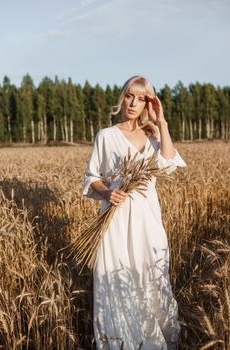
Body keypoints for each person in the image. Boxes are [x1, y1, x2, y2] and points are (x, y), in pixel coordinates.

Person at [83, 75, 187, 350]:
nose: (133, 102)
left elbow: (167, 164)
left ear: (147, 104)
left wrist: (162, 121)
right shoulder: (105, 136)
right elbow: (91, 177)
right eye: (130, 95)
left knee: (152, 278)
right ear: (122, 97)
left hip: (147, 221)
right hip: (115, 221)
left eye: (141, 98)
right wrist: (107, 192)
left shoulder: (153, 136)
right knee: (116, 279)